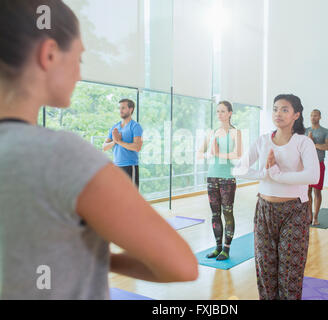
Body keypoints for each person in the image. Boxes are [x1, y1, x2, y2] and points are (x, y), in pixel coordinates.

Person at [0, 0, 197, 300]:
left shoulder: (124, 132)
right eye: (78, 58)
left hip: (128, 164)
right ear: (49, 54)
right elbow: (182, 266)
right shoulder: (62, 155)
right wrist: (100, 256)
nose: (79, 74)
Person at [233, 94, 319, 300]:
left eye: (284, 109)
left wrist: (279, 176)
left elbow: (313, 175)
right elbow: (239, 168)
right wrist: (264, 174)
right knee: (265, 269)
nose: (278, 113)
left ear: (296, 115)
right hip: (264, 209)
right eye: (275, 109)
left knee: (290, 272)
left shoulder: (303, 142)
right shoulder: (262, 141)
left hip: (294, 212)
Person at [197, 101, 242, 261]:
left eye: (223, 111)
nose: (220, 114)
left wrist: (217, 154)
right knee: (215, 214)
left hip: (227, 179)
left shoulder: (236, 132)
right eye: (218, 111)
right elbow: (199, 153)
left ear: (230, 113)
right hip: (212, 177)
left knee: (227, 212)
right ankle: (217, 248)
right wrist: (210, 154)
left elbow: (237, 154)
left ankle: (226, 249)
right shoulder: (212, 133)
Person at [103, 99, 143, 188]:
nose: (120, 110)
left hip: (129, 166)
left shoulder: (135, 126)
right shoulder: (115, 127)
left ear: (131, 109)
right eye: (119, 108)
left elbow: (137, 147)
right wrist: (114, 142)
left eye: (123, 108)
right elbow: (104, 147)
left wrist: (119, 141)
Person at [305, 109, 328, 225]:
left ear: (320, 117)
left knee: (317, 191)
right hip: (306, 165)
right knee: (307, 192)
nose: (313, 117)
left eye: (315, 115)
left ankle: (316, 217)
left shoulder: (325, 132)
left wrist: (313, 143)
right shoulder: (305, 131)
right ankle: (309, 216)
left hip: (319, 164)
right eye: (311, 115)